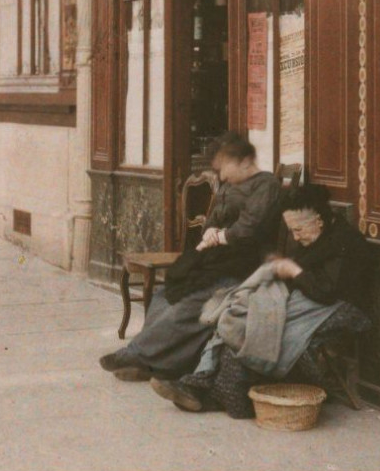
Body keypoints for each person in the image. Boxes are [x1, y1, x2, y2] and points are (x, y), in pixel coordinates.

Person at [150, 183, 373, 416]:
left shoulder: (345, 241)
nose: (295, 238)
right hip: (310, 298)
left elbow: (326, 292)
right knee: (239, 313)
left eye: (298, 230)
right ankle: (199, 383)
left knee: (259, 327)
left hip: (340, 307)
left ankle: (223, 397)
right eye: (292, 231)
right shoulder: (316, 236)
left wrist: (294, 271)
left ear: (318, 220)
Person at [99, 134, 280, 381]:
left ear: (245, 161)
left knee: (190, 304)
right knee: (166, 294)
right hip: (217, 259)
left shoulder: (266, 185)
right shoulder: (229, 186)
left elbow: (250, 228)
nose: (222, 177)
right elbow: (211, 223)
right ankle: (154, 363)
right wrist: (211, 233)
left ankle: (137, 353)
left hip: (245, 265)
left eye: (225, 168)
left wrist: (221, 236)